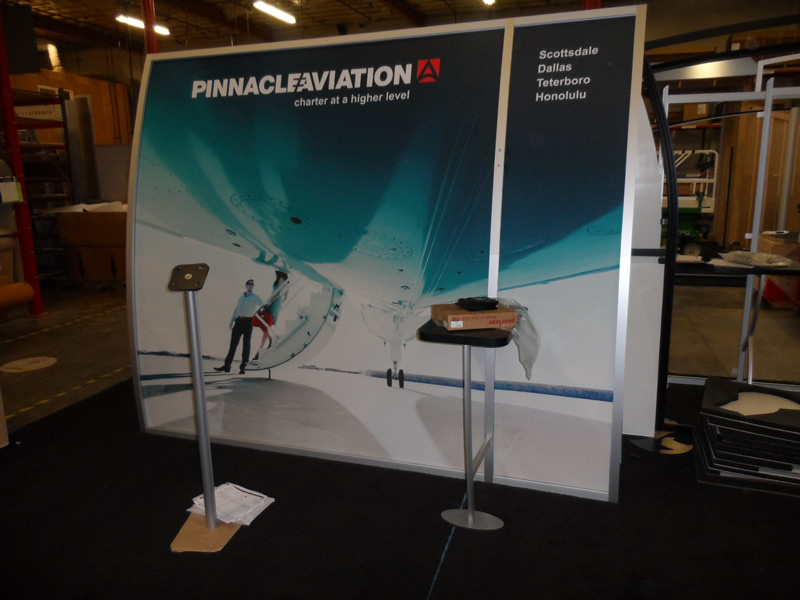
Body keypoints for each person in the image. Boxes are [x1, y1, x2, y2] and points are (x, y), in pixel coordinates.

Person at [214, 279, 263, 374]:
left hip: (249, 322)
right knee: (233, 344)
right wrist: (232, 320)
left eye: (252, 284)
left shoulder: (255, 297)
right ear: (246, 285)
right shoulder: (241, 297)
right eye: (249, 284)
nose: (251, 286)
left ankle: (243, 367)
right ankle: (227, 365)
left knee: (246, 345)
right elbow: (236, 309)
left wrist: (258, 316)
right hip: (239, 321)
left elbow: (263, 305)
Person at [252, 271, 288, 362]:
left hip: (273, 303)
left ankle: (260, 350)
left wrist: (270, 302)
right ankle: (268, 341)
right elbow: (285, 296)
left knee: (264, 323)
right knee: (264, 325)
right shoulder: (284, 280)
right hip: (274, 303)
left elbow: (278, 293)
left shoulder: (281, 278)